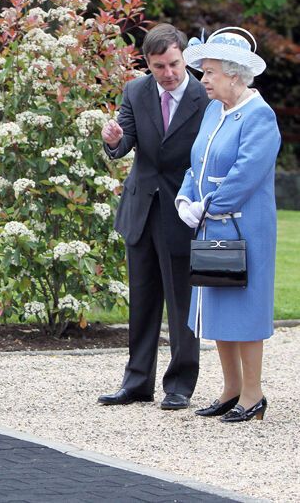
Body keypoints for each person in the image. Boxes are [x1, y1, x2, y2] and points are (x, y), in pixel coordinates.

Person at [98, 24, 207, 410]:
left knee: (182, 304)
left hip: (182, 210)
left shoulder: (203, 96)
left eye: (175, 64)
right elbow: (124, 142)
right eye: (159, 66)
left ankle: (179, 384)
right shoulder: (135, 91)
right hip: (141, 208)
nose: (169, 73)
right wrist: (113, 140)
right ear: (148, 62)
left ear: (184, 59)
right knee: (142, 301)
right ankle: (136, 382)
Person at [175, 27, 279, 422]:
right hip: (211, 225)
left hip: (245, 229)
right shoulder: (214, 110)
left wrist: (207, 206)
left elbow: (245, 174)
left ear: (234, 74)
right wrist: (186, 197)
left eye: (210, 72)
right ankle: (230, 389)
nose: (203, 80)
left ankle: (253, 396)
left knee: (246, 309)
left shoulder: (260, 115)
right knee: (217, 305)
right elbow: (196, 161)